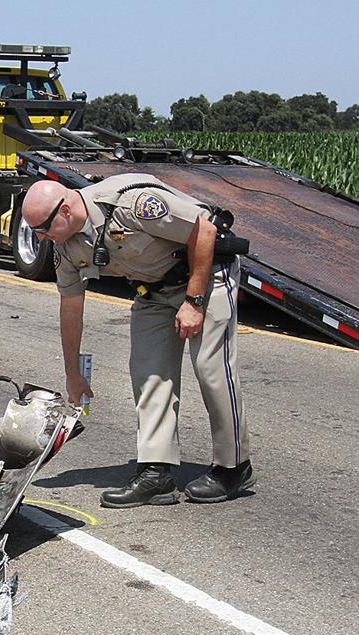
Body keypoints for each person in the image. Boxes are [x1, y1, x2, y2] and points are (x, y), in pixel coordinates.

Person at [21, 174, 253, 508]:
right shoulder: (66, 246)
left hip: (208, 276)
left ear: (66, 210)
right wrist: (73, 373)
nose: (41, 237)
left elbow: (205, 231)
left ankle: (234, 466)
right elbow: (71, 307)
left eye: (43, 228)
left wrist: (195, 302)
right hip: (154, 290)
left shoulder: (131, 205)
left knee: (210, 367)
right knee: (148, 373)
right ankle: (156, 474)